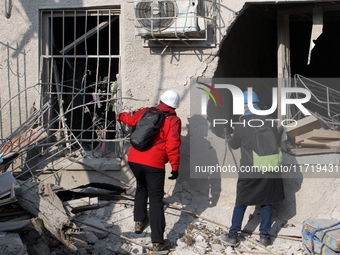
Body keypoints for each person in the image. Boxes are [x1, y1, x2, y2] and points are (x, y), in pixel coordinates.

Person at [117, 90, 181, 252]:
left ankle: (139, 222)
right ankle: (158, 242)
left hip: (134, 159)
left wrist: (120, 115)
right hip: (154, 164)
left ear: (160, 100)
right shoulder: (173, 120)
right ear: (175, 105)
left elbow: (129, 119)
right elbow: (172, 146)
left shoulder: (146, 111)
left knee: (141, 187)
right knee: (156, 200)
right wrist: (175, 167)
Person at [220, 90, 285, 247]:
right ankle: (264, 238)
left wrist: (230, 135)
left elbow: (234, 145)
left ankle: (233, 236)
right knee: (266, 202)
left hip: (250, 171)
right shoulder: (269, 120)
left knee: (241, 201)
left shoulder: (242, 124)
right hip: (270, 169)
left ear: (245, 105)